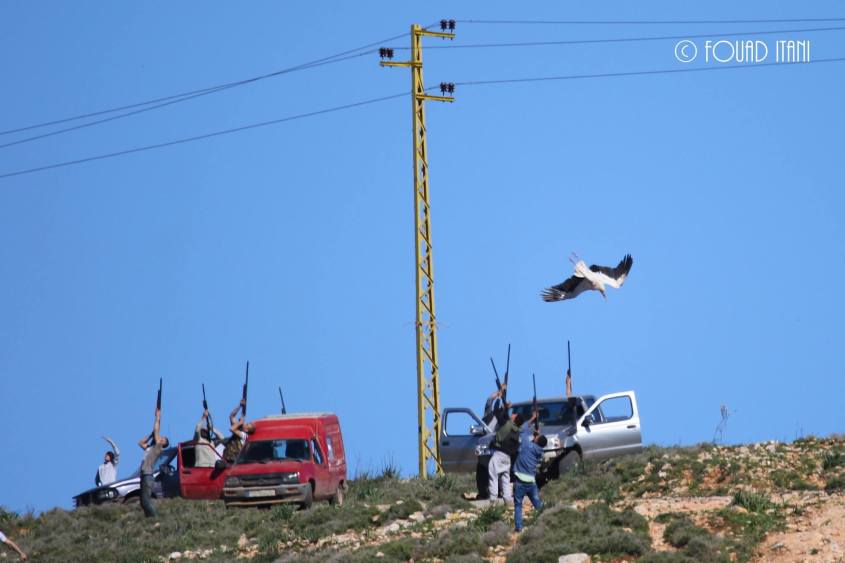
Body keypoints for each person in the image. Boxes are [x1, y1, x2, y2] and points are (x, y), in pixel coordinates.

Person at [513, 412, 547, 532]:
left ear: (536, 440)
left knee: (518, 505)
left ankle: (519, 527)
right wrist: (537, 436)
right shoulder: (540, 452)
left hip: (520, 482)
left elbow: (522, 429)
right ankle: (547, 522)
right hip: (531, 483)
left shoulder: (527, 445)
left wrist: (532, 418)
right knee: (538, 505)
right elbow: (537, 445)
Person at [487, 405, 524, 505]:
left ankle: (493, 500)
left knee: (493, 476)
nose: (512, 414)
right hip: (507, 457)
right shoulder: (517, 432)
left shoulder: (506, 424)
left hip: (498, 454)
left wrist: (504, 407)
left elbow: (498, 414)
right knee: (505, 478)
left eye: (514, 414)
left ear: (515, 419)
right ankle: (508, 500)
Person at [137, 407, 169, 518]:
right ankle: (149, 519)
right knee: (143, 502)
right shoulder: (151, 448)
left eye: (163, 439)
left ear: (163, 443)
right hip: (144, 475)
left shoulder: (158, 448)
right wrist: (151, 435)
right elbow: (140, 442)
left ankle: (155, 519)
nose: (161, 438)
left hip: (147, 475)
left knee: (146, 501)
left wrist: (158, 416)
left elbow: (156, 430)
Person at [222, 399, 255, 464]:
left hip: (234, 460)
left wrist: (240, 422)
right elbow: (232, 416)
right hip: (228, 457)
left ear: (247, 430)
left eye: (247, 424)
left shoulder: (245, 435)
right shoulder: (239, 428)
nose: (246, 423)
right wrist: (240, 406)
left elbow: (231, 429)